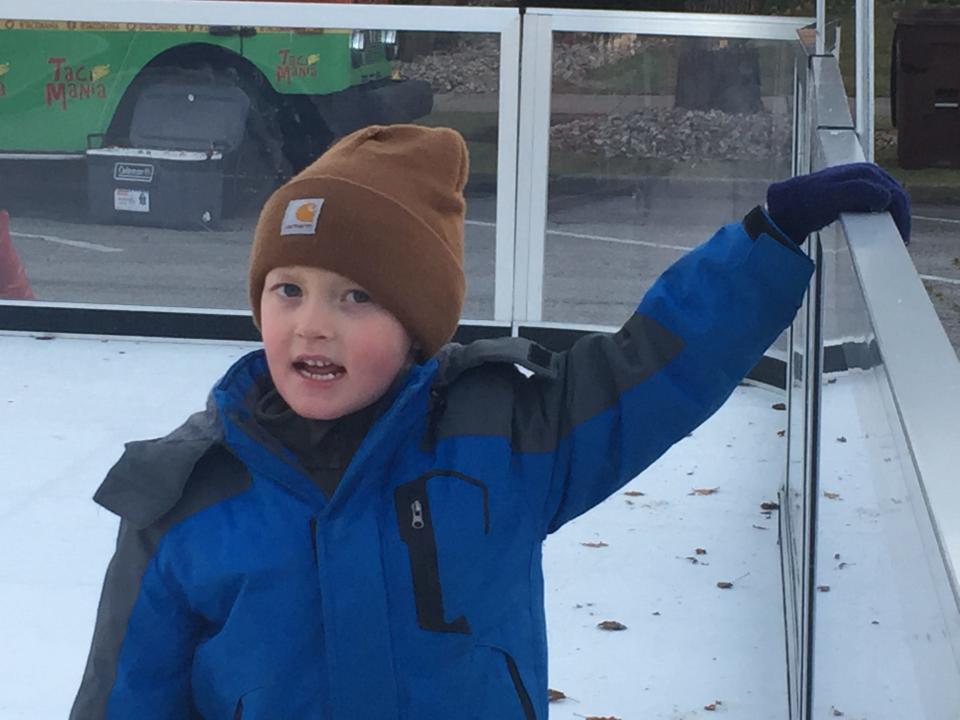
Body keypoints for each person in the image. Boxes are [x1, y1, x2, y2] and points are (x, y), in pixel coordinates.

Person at [70, 124, 909, 719]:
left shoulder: (503, 436)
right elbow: (126, 693)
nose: (312, 324)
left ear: (418, 329)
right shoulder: (184, 497)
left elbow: (646, 372)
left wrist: (771, 235)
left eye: (357, 296)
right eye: (287, 290)